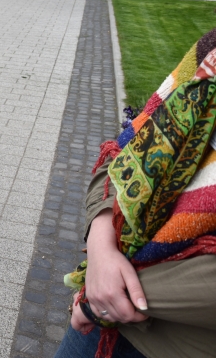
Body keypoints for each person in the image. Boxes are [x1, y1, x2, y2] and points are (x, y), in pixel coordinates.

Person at [55, 29, 216, 358]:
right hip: (102, 317)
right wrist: (101, 245)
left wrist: (106, 294)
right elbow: (122, 155)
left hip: (179, 342)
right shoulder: (210, 53)